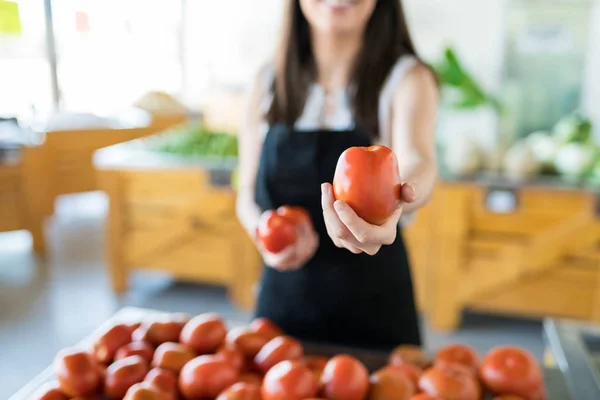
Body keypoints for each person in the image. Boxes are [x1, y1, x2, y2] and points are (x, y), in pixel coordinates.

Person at [236, 0, 438, 351]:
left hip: (376, 314)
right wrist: (264, 234)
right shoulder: (266, 82)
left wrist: (400, 199)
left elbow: (419, 159)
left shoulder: (407, 79)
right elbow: (245, 193)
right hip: (281, 308)